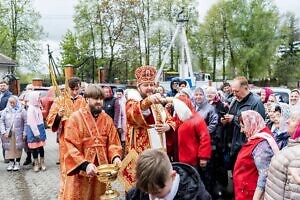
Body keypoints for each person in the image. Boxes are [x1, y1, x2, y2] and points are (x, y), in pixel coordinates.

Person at [62, 84, 122, 199]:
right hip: (81, 172)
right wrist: (85, 165)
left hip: (101, 172)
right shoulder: (75, 118)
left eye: (101, 99)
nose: (99, 102)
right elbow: (70, 146)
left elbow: (113, 142)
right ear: (86, 99)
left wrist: (115, 157)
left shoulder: (107, 119)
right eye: (95, 98)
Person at [123, 65, 176, 190]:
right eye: (146, 85)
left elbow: (171, 119)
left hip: (159, 153)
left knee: (158, 184)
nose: (149, 88)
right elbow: (132, 115)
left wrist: (167, 126)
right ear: (139, 87)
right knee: (141, 185)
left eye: (151, 85)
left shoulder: (157, 104)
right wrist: (148, 101)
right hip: (141, 153)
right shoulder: (132, 101)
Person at [46, 77, 86, 199]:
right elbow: (50, 120)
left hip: (82, 141)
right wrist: (58, 116)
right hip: (66, 141)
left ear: (80, 88)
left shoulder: (84, 101)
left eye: (77, 89)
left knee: (81, 169)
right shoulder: (59, 101)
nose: (74, 92)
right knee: (67, 169)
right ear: (67, 89)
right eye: (72, 89)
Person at [127, 149, 212, 200]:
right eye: (148, 192)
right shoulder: (135, 195)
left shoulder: (198, 196)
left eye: (157, 192)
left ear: (173, 176)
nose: (152, 198)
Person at [221, 76, 265, 170]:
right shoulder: (234, 100)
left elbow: (257, 127)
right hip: (233, 145)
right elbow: (231, 115)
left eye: (236, 91)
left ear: (245, 88)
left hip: (245, 146)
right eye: (233, 91)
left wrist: (233, 119)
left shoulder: (256, 102)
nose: (234, 94)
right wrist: (225, 120)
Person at [233, 110, 278, 200]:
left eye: (243, 127)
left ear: (252, 124)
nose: (241, 131)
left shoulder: (262, 144)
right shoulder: (255, 139)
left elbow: (264, 174)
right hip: (245, 191)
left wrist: (256, 198)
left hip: (250, 194)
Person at [264, 108, 300, 200]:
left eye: (292, 120)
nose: (287, 121)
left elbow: (296, 194)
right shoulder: (292, 146)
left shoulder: (297, 156)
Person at [0, 96, 27, 171]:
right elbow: (1, 121)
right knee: (9, 148)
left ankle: (17, 162)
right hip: (8, 133)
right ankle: (11, 162)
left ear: (17, 102)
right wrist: (3, 132)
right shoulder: (6, 110)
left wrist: (25, 133)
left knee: (18, 148)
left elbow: (26, 122)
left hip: (19, 133)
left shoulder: (22, 110)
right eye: (10, 102)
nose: (11, 104)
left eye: (13, 102)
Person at [25, 91, 47, 172]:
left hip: (40, 128)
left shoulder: (38, 107)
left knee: (41, 147)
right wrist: (36, 133)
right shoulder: (31, 108)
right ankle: (36, 163)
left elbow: (40, 119)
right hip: (34, 130)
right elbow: (32, 122)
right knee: (34, 148)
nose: (39, 99)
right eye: (38, 97)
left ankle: (42, 162)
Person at [0, 80, 12, 163]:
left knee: (5, 139)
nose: (2, 87)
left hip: (5, 121)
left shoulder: (10, 96)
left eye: (3, 85)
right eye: (1, 86)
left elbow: (9, 109)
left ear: (7, 86)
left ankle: (7, 157)